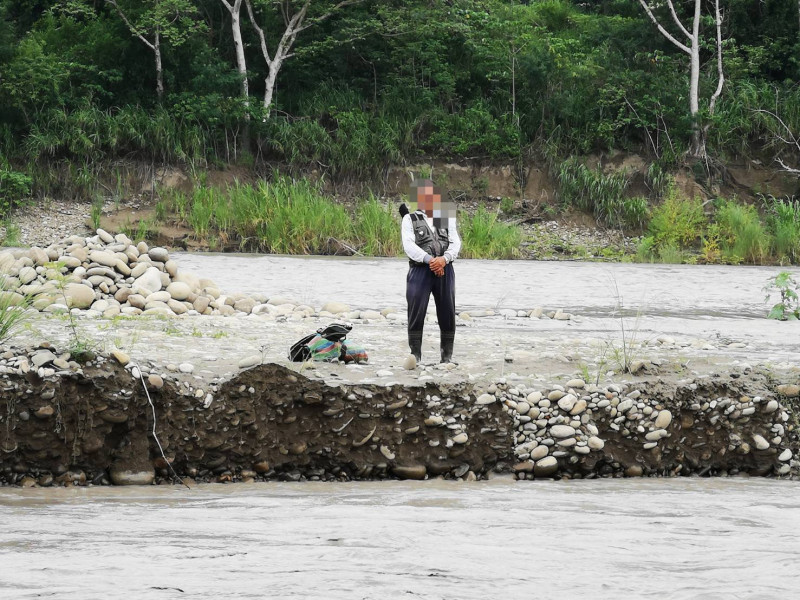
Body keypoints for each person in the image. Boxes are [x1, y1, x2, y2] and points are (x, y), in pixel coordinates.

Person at [401, 179, 461, 364]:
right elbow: (409, 246)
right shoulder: (409, 219)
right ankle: (416, 356)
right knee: (416, 312)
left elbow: (455, 242)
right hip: (420, 271)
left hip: (446, 269)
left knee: (447, 312)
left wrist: (444, 259)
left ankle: (447, 358)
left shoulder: (445, 217)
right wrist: (430, 260)